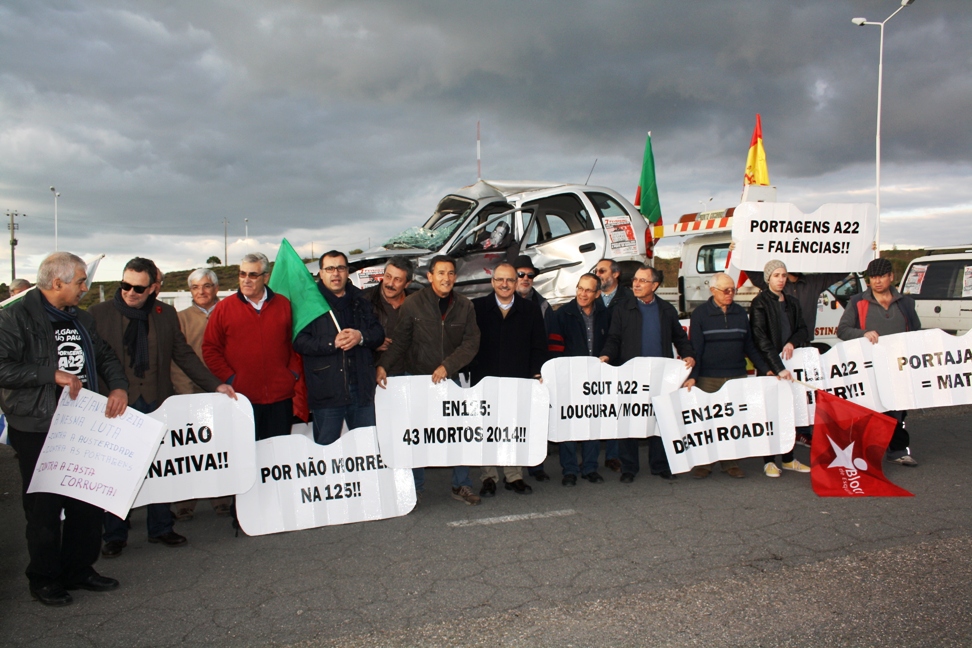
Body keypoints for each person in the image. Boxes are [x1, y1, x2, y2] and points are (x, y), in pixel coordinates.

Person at [0, 252, 128, 606]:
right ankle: (44, 577)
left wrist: (118, 386)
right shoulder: (13, 318)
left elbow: (104, 356)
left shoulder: (80, 319)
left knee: (87, 502)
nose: (85, 288)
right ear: (57, 283)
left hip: (81, 423)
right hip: (38, 426)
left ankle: (79, 569)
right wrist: (48, 375)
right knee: (43, 508)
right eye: (80, 282)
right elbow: (2, 367)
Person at [90, 258, 236, 558]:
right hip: (116, 406)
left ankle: (160, 528)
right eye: (125, 285)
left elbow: (183, 355)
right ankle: (115, 534)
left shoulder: (164, 314)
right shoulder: (98, 314)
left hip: (157, 401)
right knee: (118, 471)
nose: (130, 292)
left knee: (159, 468)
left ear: (153, 288)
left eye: (138, 288)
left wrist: (215, 384)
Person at [376, 255, 482, 505]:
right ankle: (416, 488)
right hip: (417, 379)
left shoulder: (465, 306)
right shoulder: (412, 304)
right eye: (441, 273)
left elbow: (471, 343)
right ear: (430, 276)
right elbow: (400, 340)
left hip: (452, 380)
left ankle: (461, 485)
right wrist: (383, 366)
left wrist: (448, 366)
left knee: (458, 434)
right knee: (418, 435)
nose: (447, 278)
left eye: (451, 273)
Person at [599, 266, 695, 482]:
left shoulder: (666, 310)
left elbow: (679, 338)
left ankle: (660, 465)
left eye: (642, 280)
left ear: (655, 285)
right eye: (635, 279)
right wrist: (606, 355)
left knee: (660, 419)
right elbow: (614, 338)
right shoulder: (623, 309)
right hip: (632, 376)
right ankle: (629, 468)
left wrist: (688, 354)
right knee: (629, 419)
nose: (636, 284)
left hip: (661, 376)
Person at [203, 252, 304, 441]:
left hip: (280, 398)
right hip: (241, 398)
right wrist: (231, 378)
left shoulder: (283, 305)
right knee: (247, 458)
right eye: (242, 274)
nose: (246, 280)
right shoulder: (224, 308)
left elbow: (293, 343)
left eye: (253, 275)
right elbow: (210, 348)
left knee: (278, 457)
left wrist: (291, 374)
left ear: (266, 277)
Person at [471, 263, 548, 497]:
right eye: (500, 280)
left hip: (518, 380)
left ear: (516, 283)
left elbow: (539, 345)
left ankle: (514, 476)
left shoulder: (530, 309)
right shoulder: (476, 308)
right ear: (493, 282)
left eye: (510, 280)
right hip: (484, 380)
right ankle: (488, 477)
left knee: (514, 429)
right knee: (487, 430)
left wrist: (536, 372)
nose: (505, 284)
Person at [837, 256, 921, 466]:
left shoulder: (906, 303)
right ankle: (865, 454)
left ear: (891, 277)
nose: (877, 281)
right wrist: (863, 333)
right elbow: (843, 330)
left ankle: (898, 450)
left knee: (898, 411)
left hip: (898, 368)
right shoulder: (857, 302)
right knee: (870, 410)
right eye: (873, 277)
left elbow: (916, 333)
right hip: (869, 367)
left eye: (882, 276)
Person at [294, 251, 384, 446]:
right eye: (330, 269)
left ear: (347, 272)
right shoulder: (310, 304)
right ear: (320, 273)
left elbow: (378, 333)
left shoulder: (361, 299)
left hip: (361, 390)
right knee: (326, 451)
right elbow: (299, 341)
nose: (336, 273)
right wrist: (331, 342)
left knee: (366, 450)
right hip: (327, 391)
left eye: (341, 268)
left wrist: (361, 337)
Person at [688, 272, 771, 479]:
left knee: (733, 422)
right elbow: (695, 349)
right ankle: (705, 463)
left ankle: (730, 462)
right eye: (725, 290)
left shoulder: (741, 313)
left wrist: (766, 369)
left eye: (733, 289)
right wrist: (693, 376)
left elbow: (749, 346)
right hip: (708, 377)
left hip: (736, 375)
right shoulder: (700, 314)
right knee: (707, 422)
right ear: (713, 290)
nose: (730, 293)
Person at [171, 268, 232, 520]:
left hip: (223, 389)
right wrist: (184, 393)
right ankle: (186, 500)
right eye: (195, 288)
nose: (201, 292)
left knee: (220, 447)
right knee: (191, 449)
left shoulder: (228, 311)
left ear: (216, 288)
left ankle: (220, 497)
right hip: (191, 392)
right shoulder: (180, 318)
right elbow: (177, 359)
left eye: (206, 286)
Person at [363, 257, 425, 498]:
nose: (390, 283)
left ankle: (416, 487)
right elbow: (352, 336)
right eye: (388, 276)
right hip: (377, 378)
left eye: (397, 279)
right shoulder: (365, 301)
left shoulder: (417, 301)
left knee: (411, 433)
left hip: (410, 376)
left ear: (407, 282)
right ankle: (380, 488)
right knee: (380, 434)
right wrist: (371, 344)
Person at [749, 260, 811, 478]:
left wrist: (792, 342)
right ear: (768, 278)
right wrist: (777, 368)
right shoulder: (759, 303)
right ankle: (769, 461)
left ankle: (788, 458)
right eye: (776, 275)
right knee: (770, 413)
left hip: (791, 367)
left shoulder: (792, 302)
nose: (781, 279)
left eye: (784, 275)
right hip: (770, 369)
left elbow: (803, 328)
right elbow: (760, 338)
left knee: (790, 413)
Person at [548, 273, 610, 486]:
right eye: (580, 288)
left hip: (596, 380)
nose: (583, 294)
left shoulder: (605, 314)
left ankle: (590, 467)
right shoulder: (562, 314)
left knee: (592, 422)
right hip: (568, 379)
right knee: (568, 424)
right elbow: (555, 349)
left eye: (588, 290)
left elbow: (611, 342)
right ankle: (570, 470)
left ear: (597, 293)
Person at [512, 254, 553, 482]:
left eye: (530, 275)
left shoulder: (543, 305)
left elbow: (547, 341)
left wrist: (542, 371)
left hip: (535, 373)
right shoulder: (504, 301)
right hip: (510, 371)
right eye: (521, 274)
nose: (525, 278)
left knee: (535, 421)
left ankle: (536, 465)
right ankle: (513, 468)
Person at [594, 258, 632, 473]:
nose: (598, 274)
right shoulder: (592, 296)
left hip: (621, 361)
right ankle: (591, 458)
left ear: (615, 274)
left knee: (617, 410)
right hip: (597, 360)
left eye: (602, 270)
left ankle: (614, 455)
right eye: (596, 271)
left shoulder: (628, 298)